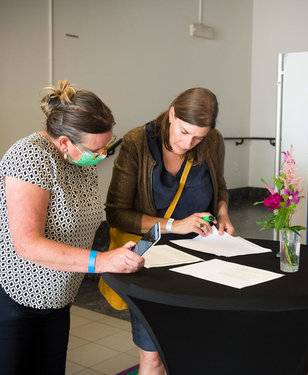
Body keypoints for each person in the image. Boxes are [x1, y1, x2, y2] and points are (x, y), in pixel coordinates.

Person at [0, 80, 145, 374]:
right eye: (97, 148)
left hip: (59, 296)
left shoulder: (82, 161)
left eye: (107, 144)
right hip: (16, 299)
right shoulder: (29, 156)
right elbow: (27, 244)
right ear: (65, 142)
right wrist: (102, 261)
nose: (103, 154)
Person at [105, 87, 235, 374]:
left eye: (198, 136)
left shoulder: (212, 141)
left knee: (195, 349)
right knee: (152, 357)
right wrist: (175, 225)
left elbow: (220, 185)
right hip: (152, 264)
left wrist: (222, 211)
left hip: (200, 260)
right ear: (172, 113)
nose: (188, 143)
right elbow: (116, 212)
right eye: (184, 131)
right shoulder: (138, 142)